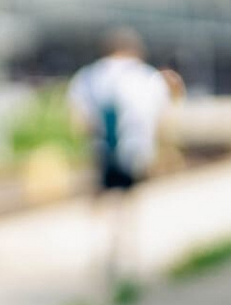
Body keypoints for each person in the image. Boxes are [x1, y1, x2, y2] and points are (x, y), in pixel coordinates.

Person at [66, 27, 175, 288]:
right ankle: (127, 255)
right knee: (129, 201)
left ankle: (100, 252)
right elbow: (162, 119)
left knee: (100, 200)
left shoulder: (88, 77)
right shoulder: (148, 77)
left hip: (100, 148)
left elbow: (78, 119)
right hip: (136, 149)